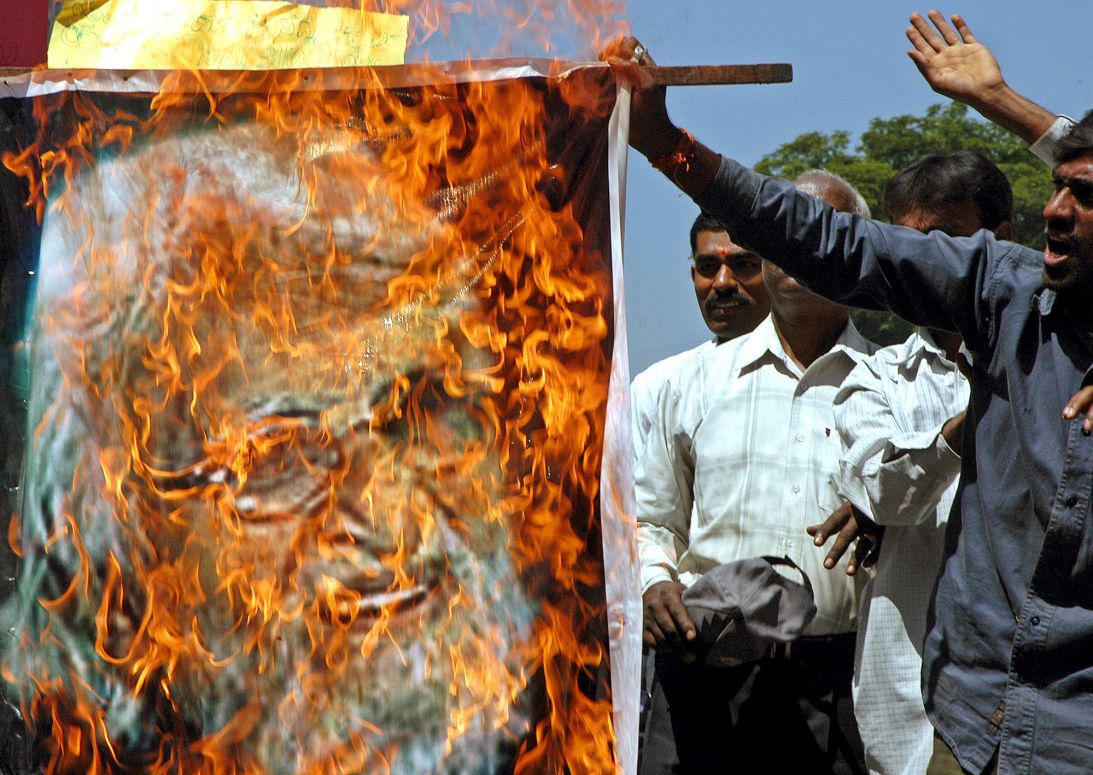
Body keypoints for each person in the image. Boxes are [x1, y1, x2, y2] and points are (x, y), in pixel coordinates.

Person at [610, 12, 1093, 771]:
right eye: (1057, 188)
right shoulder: (990, 301)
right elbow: (828, 242)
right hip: (960, 726)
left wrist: (1004, 103)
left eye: (1084, 195)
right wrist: (665, 145)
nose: (1057, 212)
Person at [636, 170, 875, 774]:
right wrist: (652, 581)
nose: (797, 247)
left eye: (819, 234)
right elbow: (650, 520)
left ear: (861, 252)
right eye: (783, 231)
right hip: (702, 670)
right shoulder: (679, 383)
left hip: (838, 678)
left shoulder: (896, 384)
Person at [830, 151, 1015, 775]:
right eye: (908, 244)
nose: (923, 263)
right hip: (913, 709)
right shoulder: (877, 378)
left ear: (1001, 242)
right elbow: (883, 491)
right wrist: (975, 418)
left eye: (946, 241)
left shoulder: (1062, 363)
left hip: (1047, 711)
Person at [631, 211, 769, 460]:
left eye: (743, 265)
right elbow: (644, 496)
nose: (723, 282)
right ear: (694, 276)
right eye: (708, 268)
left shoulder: (815, 375)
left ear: (774, 272)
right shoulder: (658, 387)